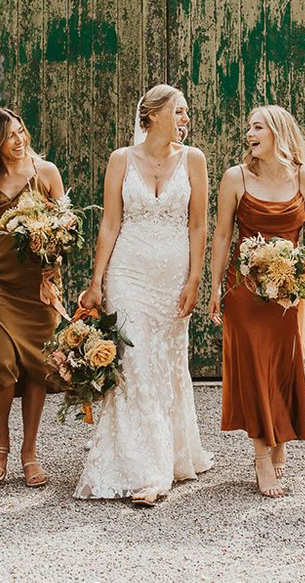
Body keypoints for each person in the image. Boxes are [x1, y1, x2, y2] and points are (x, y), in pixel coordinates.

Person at [75, 84, 213, 506]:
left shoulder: (194, 161)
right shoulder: (121, 160)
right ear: (152, 115)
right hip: (128, 274)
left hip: (172, 278)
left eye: (187, 112)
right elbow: (110, 225)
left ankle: (171, 451)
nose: (185, 120)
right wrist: (96, 281)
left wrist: (194, 280)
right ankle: (146, 471)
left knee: (166, 361)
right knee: (134, 362)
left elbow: (198, 226)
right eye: (179, 111)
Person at [208, 105, 305, 497]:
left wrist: (303, 260)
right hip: (243, 289)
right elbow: (223, 235)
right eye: (248, 128)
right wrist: (214, 290)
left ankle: (279, 442)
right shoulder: (235, 177)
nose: (249, 134)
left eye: (257, 127)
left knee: (280, 365)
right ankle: (261, 455)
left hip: (287, 292)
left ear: (278, 131)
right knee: (253, 367)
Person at [0, 107, 65, 487]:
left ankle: (29, 451)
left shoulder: (46, 173)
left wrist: (52, 271)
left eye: (21, 131)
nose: (19, 139)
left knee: (37, 365)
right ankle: (1, 440)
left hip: (36, 284)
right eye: (10, 135)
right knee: (3, 363)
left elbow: (64, 227)